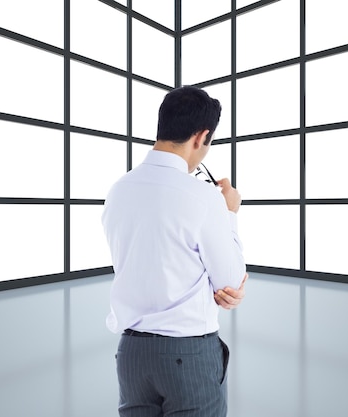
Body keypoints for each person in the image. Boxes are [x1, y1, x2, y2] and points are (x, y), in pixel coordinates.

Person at [102, 85, 248, 417]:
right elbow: (231, 279)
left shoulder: (118, 191)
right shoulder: (203, 196)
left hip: (132, 356)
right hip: (188, 354)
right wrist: (229, 213)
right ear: (202, 137)